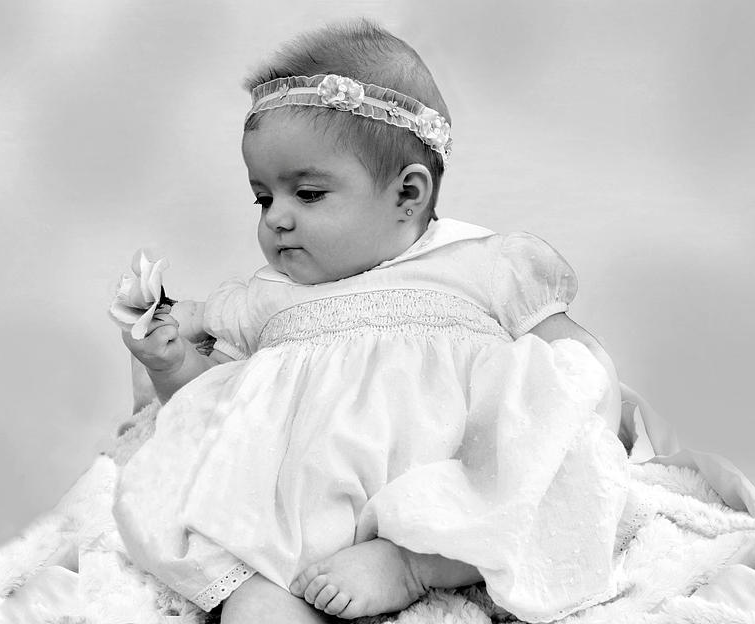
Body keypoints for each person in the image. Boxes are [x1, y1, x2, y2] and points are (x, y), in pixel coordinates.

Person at [112, 20, 629, 623]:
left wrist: (593, 420)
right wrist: (175, 365)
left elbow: (575, 369)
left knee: (515, 487)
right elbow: (215, 416)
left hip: (443, 495)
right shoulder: (269, 297)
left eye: (306, 194)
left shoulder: (479, 264)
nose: (276, 218)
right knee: (252, 597)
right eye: (263, 197)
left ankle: (411, 562)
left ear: (408, 194)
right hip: (296, 526)